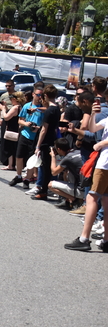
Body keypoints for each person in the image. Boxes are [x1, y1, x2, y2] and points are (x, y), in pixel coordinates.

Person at [64, 103, 108, 252]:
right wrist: (92, 114)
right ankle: (106, 240)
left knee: (92, 197)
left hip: (105, 164)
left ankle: (84, 238)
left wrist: (102, 143)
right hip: (104, 162)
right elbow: (93, 129)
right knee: (105, 199)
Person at [9, 87, 43, 188]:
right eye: (37, 95)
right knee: (19, 156)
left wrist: (38, 128)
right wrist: (26, 123)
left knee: (31, 159)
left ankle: (27, 179)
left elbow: (45, 124)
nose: (39, 97)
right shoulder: (27, 106)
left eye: (41, 95)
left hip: (35, 137)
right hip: (25, 134)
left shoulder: (42, 108)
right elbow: (20, 120)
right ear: (33, 94)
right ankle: (19, 175)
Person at [32, 84, 60, 200]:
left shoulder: (49, 111)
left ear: (46, 96)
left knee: (44, 166)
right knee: (46, 166)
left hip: (46, 141)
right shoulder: (57, 109)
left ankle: (43, 191)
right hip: (52, 138)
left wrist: (38, 145)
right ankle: (44, 189)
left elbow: (44, 129)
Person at [48, 138, 84, 210]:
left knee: (50, 185)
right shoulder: (77, 151)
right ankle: (68, 201)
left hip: (82, 191)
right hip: (88, 187)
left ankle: (74, 199)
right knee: (66, 173)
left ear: (59, 149)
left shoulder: (68, 158)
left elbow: (54, 172)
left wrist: (53, 156)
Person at [0, 91, 25, 171]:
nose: (10, 101)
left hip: (12, 129)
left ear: (15, 99)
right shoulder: (20, 107)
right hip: (16, 129)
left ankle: (10, 165)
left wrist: (3, 109)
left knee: (9, 147)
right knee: (13, 147)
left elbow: (6, 117)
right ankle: (13, 164)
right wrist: (6, 107)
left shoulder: (15, 107)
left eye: (11, 99)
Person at [0, 80, 16, 166]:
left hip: (13, 119)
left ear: (13, 86)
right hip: (4, 118)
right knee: (3, 139)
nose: (8, 88)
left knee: (11, 140)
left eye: (10, 86)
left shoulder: (17, 95)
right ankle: (2, 159)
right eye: (6, 86)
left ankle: (11, 162)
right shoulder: (4, 96)